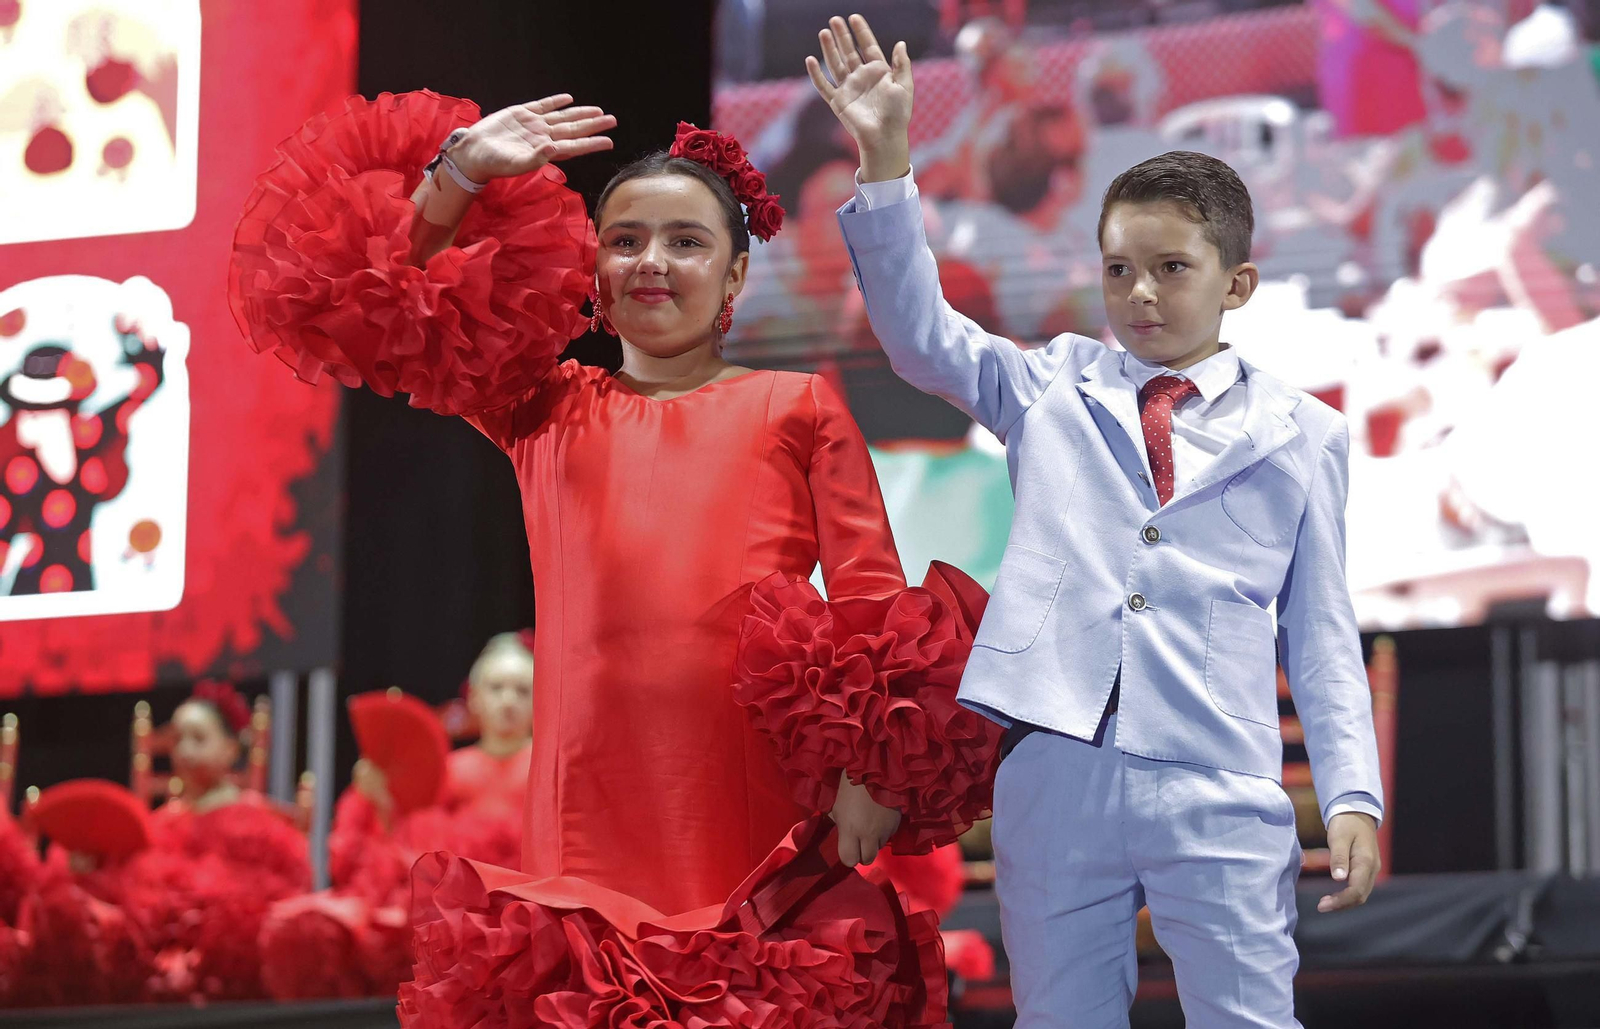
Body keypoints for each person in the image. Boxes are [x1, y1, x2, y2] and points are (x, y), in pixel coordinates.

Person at [231, 88, 1000, 1025]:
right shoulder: (541, 407)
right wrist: (460, 171)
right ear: (592, 268)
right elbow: (374, 300)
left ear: (736, 273)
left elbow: (871, 597)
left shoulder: (796, 404)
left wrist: (872, 774)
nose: (652, 262)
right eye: (625, 239)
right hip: (585, 817)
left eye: (687, 241)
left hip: (745, 805)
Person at [810, 14, 1384, 1027]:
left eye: (1171, 268)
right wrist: (887, 160)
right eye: (1119, 269)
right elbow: (918, 338)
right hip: (1054, 763)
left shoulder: (1304, 434)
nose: (1140, 292)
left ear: (1237, 283)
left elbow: (1323, 632)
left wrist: (1350, 795)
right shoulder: (1051, 384)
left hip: (1219, 773)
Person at [261, 631, 537, 999]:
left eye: (522, 690)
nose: (508, 701)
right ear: (475, 697)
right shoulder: (448, 770)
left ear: (540, 698)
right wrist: (375, 798)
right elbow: (402, 839)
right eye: (497, 688)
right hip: (451, 909)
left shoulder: (550, 766)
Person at [10, 682, 311, 1005]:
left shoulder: (261, 824)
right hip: (149, 962)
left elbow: (286, 894)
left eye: (198, 739)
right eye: (178, 740)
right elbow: (122, 890)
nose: (185, 751)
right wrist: (88, 868)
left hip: (227, 969)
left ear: (231, 748)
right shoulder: (157, 824)